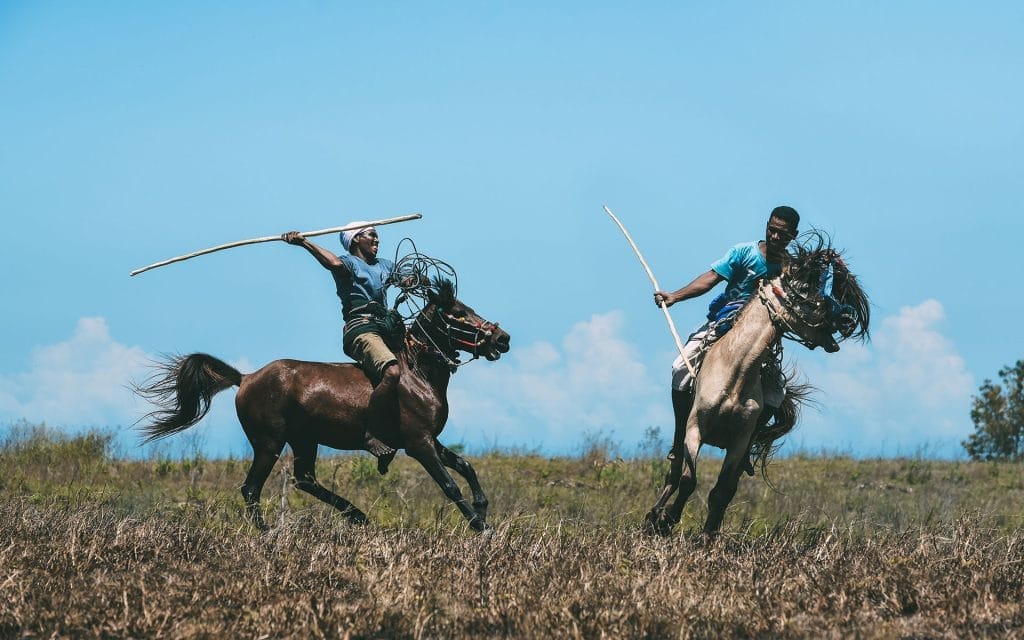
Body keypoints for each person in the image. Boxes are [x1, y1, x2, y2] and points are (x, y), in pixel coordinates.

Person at [653, 205, 800, 476]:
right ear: (767, 225)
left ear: (793, 235)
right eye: (772, 230)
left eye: (782, 234)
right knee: (679, 368)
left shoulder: (789, 269)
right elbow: (710, 279)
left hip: (761, 340)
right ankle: (678, 437)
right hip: (723, 325)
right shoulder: (744, 252)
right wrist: (675, 296)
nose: (775, 237)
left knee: (775, 395)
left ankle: (746, 447)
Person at [282, 222, 404, 474]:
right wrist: (303, 242)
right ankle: (372, 433)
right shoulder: (347, 263)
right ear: (356, 239)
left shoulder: (384, 266)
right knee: (392, 372)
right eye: (372, 235)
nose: (377, 240)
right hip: (363, 330)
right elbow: (333, 264)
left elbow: (403, 277)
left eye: (377, 236)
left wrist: (415, 279)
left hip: (386, 328)